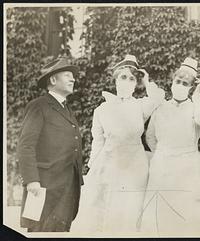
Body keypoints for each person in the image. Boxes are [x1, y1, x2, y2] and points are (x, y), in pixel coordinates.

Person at [71, 54, 165, 235]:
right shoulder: (102, 110)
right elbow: (98, 141)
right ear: (115, 80)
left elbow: (159, 97)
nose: (128, 81)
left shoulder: (140, 106)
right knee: (105, 212)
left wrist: (146, 81)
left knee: (130, 212)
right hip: (109, 163)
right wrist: (93, 166)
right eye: (123, 77)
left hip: (135, 167)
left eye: (132, 78)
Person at [139, 57, 200, 236]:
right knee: (161, 213)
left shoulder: (197, 107)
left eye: (185, 83)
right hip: (162, 164)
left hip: (188, 166)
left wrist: (197, 95)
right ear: (172, 82)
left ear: (191, 86)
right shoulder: (161, 107)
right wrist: (163, 155)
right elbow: (150, 136)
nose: (180, 85)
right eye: (177, 81)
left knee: (186, 212)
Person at [17, 58, 83, 232]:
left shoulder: (67, 109)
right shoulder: (38, 106)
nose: (73, 79)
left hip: (68, 187)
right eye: (68, 75)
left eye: (73, 76)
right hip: (45, 188)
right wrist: (31, 180)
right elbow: (26, 146)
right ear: (53, 80)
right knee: (42, 232)